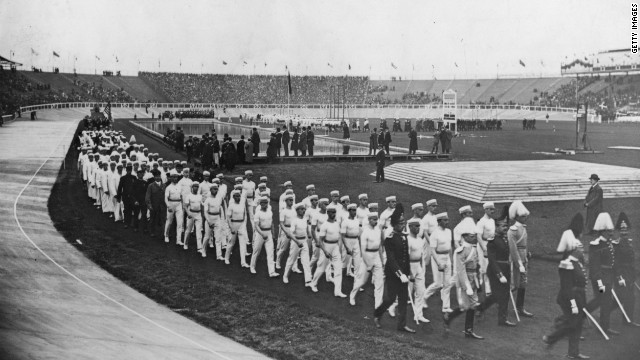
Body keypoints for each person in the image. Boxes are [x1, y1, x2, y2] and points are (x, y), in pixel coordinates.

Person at [543, 221, 589, 359]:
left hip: (579, 296)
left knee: (577, 324)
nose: (582, 249)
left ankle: (572, 353)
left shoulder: (577, 263)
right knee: (573, 323)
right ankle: (551, 337)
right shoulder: (567, 264)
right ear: (573, 249)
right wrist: (574, 303)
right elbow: (566, 286)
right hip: (569, 297)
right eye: (579, 248)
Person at [373, 204, 416, 333]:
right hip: (393, 274)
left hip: (403, 274)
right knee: (390, 298)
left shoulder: (404, 237)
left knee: (403, 300)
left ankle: (402, 325)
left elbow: (405, 257)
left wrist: (409, 273)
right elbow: (391, 260)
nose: (402, 225)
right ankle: (377, 314)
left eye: (403, 222)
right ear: (394, 224)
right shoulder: (390, 239)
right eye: (399, 223)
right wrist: (400, 274)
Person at [443, 220, 485, 339]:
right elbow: (461, 271)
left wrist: (479, 280)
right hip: (464, 281)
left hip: (474, 280)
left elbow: (476, 266)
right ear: (465, 236)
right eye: (472, 236)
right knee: (466, 306)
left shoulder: (474, 248)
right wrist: (467, 287)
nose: (474, 238)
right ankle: (449, 317)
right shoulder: (460, 252)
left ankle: (468, 330)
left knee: (471, 305)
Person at [481, 205, 516, 326]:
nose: (506, 228)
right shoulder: (492, 240)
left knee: (505, 294)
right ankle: (481, 308)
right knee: (496, 295)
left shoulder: (505, 238)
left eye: (507, 226)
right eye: (503, 226)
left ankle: (502, 319)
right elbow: (492, 259)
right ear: (497, 227)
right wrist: (499, 274)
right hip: (495, 271)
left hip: (505, 268)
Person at [586, 212, 619, 335]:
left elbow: (612, 262)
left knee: (605, 301)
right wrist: (600, 283)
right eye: (608, 231)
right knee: (601, 299)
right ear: (602, 231)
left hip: (608, 278)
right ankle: (582, 313)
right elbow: (594, 266)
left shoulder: (609, 243)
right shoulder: (596, 245)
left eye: (611, 230)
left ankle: (604, 327)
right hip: (600, 279)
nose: (611, 233)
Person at [423, 212, 454, 314]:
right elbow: (432, 250)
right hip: (438, 258)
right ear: (439, 221)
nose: (447, 222)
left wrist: (451, 260)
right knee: (437, 283)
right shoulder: (435, 234)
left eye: (447, 220)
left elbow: (449, 247)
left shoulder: (449, 231)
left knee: (447, 283)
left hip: (447, 258)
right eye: (445, 220)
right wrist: (438, 263)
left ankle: (445, 306)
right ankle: (423, 297)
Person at [613, 212, 640, 327]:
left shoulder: (629, 243)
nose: (624, 231)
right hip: (622, 275)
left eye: (626, 229)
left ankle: (628, 320)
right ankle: (603, 314)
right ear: (619, 231)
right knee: (618, 299)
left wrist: (634, 274)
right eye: (622, 229)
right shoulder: (617, 244)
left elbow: (632, 260)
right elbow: (616, 263)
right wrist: (620, 277)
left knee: (631, 297)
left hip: (629, 274)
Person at [251, 196, 279, 277]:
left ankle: (272, 272)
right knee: (256, 252)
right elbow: (256, 226)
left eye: (266, 203)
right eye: (263, 203)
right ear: (260, 204)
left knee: (270, 253)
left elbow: (272, 223)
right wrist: (262, 234)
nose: (265, 204)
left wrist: (273, 234)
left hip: (269, 233)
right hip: (260, 234)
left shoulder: (270, 212)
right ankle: (252, 267)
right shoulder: (257, 213)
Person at [225, 190, 250, 267]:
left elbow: (244, 216)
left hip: (241, 225)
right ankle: (226, 258)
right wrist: (231, 227)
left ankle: (243, 262)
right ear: (233, 197)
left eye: (239, 196)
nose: (237, 197)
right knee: (231, 243)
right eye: (236, 196)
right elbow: (228, 218)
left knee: (243, 244)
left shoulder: (242, 205)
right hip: (233, 224)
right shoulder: (231, 206)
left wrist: (243, 225)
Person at [164, 170, 184, 244]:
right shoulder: (168, 187)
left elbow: (181, 196)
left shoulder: (180, 186)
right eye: (173, 177)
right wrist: (168, 206)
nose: (175, 178)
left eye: (176, 177)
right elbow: (166, 198)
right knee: (169, 222)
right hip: (171, 204)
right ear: (171, 178)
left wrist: (183, 206)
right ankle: (166, 235)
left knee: (180, 223)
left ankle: (178, 240)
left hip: (179, 204)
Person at [145, 169, 166, 238]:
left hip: (162, 206)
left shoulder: (164, 185)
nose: (157, 177)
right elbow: (147, 197)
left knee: (162, 220)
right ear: (154, 177)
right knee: (152, 220)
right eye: (156, 176)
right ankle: (152, 232)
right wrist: (149, 205)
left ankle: (163, 233)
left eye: (159, 176)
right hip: (154, 205)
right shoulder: (151, 186)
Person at [116, 163, 137, 229]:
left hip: (132, 197)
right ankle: (126, 223)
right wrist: (119, 197)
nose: (129, 172)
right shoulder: (123, 178)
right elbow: (120, 188)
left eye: (130, 170)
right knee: (126, 209)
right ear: (126, 171)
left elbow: (136, 188)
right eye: (128, 170)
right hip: (125, 196)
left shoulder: (134, 177)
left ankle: (131, 222)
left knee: (132, 209)